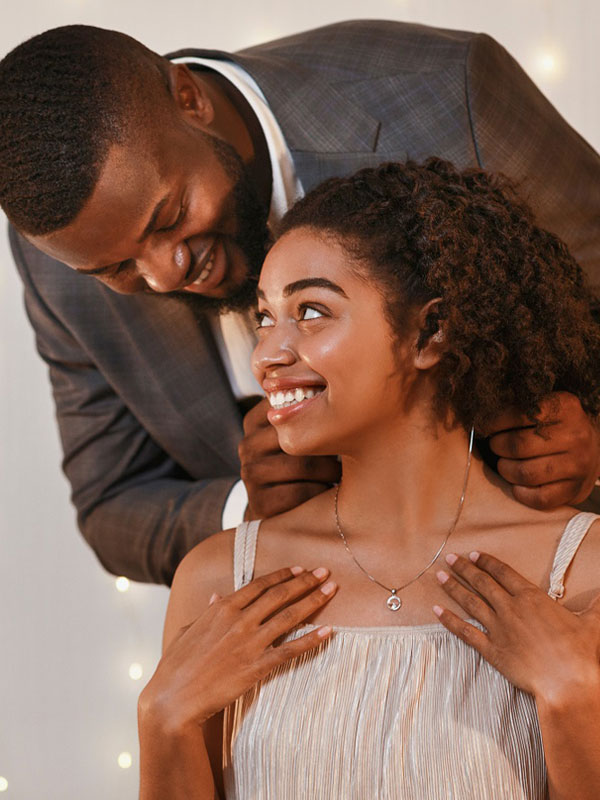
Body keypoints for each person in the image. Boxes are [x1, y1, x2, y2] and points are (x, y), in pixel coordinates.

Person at [1, 22, 599, 585]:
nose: (164, 275)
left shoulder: (445, 98)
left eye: (171, 217)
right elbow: (113, 506)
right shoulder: (61, 260)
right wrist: (250, 508)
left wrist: (594, 436)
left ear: (190, 99)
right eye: (117, 268)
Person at [138, 159, 600, 799]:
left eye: (311, 310)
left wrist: (575, 693)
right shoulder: (222, 582)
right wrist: (164, 720)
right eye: (266, 316)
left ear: (429, 332)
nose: (268, 354)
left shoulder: (581, 572)